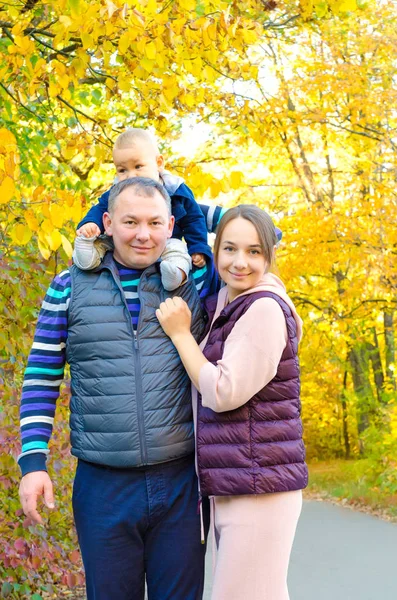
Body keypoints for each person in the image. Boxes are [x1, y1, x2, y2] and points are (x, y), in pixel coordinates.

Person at [18, 177, 212, 600]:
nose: (143, 234)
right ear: (107, 222)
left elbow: (246, 257)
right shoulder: (67, 287)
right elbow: (41, 375)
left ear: (171, 225)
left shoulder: (192, 286)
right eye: (130, 221)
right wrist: (33, 462)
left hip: (181, 483)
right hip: (103, 488)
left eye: (155, 222)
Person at [156, 204, 308, 600]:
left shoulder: (263, 309)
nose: (240, 262)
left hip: (260, 490)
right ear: (215, 249)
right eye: (230, 249)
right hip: (238, 481)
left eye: (254, 251)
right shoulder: (229, 300)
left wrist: (180, 334)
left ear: (269, 257)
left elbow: (223, 392)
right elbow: (184, 204)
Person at [74, 127, 212, 291]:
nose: (131, 175)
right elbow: (100, 209)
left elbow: (194, 219)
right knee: (101, 243)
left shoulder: (175, 189)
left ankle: (175, 274)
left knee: (177, 249)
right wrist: (90, 224)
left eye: (138, 166)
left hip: (165, 242)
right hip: (120, 243)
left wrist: (198, 247)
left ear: (159, 163)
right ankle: (87, 257)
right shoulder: (117, 192)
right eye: (122, 170)